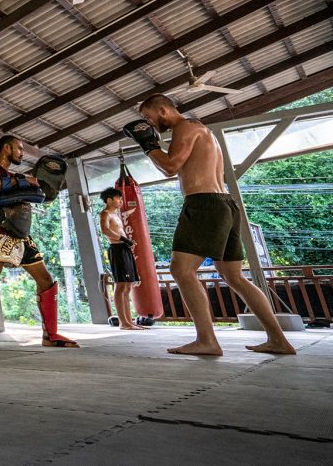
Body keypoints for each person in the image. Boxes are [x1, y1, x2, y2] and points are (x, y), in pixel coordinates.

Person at [125, 94, 295, 356]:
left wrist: (148, 146)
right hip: (224, 204)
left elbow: (170, 166)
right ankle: (278, 339)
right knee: (234, 276)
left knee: (181, 271)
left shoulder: (185, 128)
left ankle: (207, 340)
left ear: (162, 110)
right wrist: (152, 147)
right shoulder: (200, 130)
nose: (148, 124)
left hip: (204, 205)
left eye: (148, 118)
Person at [0, 135, 79, 348]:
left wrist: (31, 182)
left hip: (22, 234)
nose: (22, 153)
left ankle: (50, 335)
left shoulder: (12, 174)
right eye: (19, 149)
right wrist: (23, 179)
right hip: (1, 232)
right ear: (7, 148)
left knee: (46, 281)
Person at [98, 187, 144, 330]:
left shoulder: (116, 215)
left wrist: (127, 242)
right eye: (117, 198)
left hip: (124, 249)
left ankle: (129, 321)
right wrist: (124, 240)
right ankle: (123, 323)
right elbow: (105, 230)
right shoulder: (105, 214)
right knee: (121, 285)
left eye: (120, 198)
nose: (120, 201)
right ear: (109, 200)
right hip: (117, 249)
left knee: (128, 285)